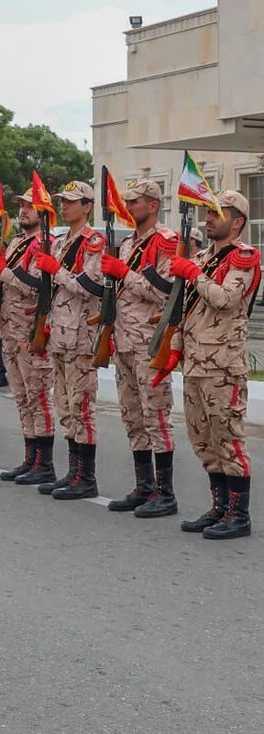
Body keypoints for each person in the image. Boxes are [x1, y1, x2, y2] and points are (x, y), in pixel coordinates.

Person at [166, 190, 259, 539]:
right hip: (196, 363)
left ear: (237, 222)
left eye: (218, 213)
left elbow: (225, 299)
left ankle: (239, 515)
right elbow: (187, 310)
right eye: (209, 211)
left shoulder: (244, 258)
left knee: (229, 439)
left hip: (222, 367)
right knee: (203, 439)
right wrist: (175, 349)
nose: (209, 217)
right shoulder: (204, 257)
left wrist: (192, 272)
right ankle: (220, 507)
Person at [100, 179, 179, 518]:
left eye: (136, 202)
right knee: (132, 416)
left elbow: (167, 292)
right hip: (125, 343)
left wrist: (123, 273)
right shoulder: (130, 241)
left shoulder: (166, 242)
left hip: (150, 343)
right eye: (129, 201)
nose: (129, 207)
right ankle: (144, 486)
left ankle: (165, 492)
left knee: (156, 417)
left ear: (153, 205)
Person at [32, 182, 106, 498]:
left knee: (82, 406)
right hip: (59, 334)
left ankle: (86, 478)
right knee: (64, 404)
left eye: (72, 202)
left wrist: (56, 270)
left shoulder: (94, 242)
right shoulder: (61, 241)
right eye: (63, 201)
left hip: (81, 337)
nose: (65, 207)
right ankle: (73, 472)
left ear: (88, 206)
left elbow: (89, 285)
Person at [0, 188, 58, 487]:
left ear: (44, 212)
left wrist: (3, 272)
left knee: (38, 397)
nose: (23, 211)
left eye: (30, 206)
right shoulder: (17, 242)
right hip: (10, 330)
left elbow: (36, 287)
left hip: (32, 331)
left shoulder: (45, 244)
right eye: (21, 206)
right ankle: (30, 457)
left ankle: (45, 463)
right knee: (21, 397)